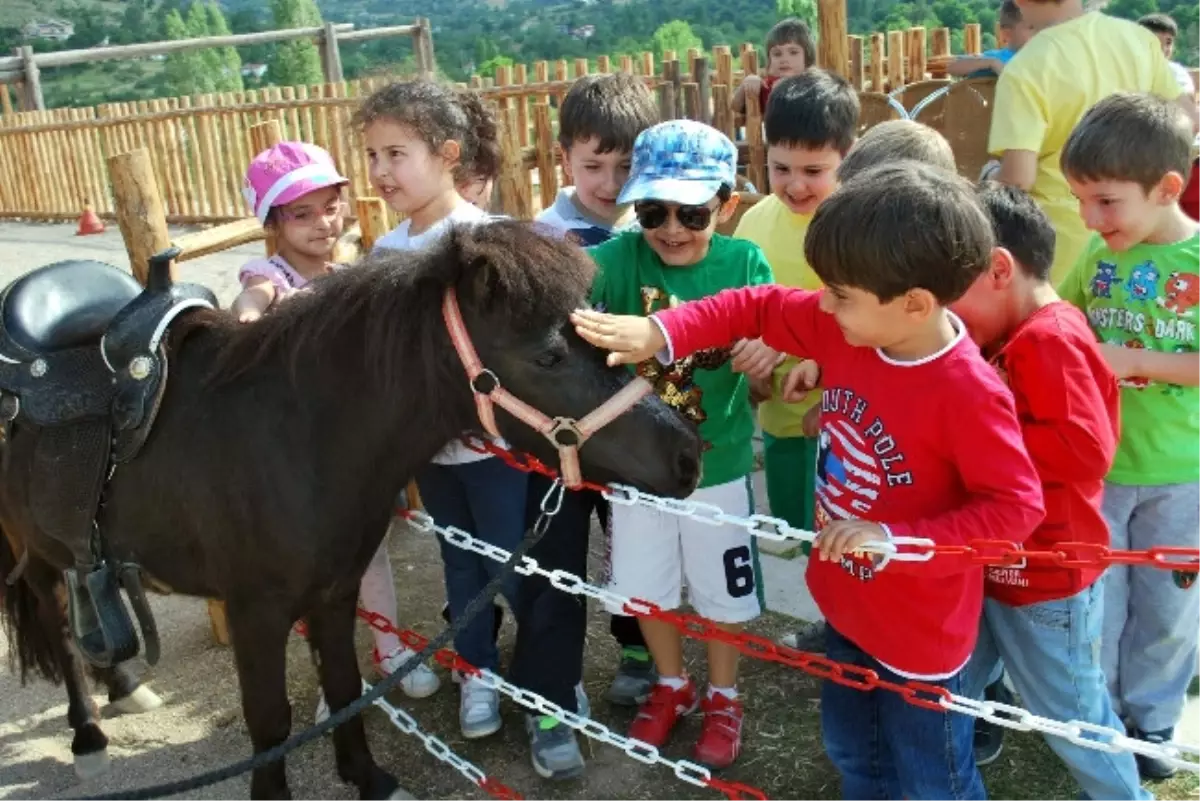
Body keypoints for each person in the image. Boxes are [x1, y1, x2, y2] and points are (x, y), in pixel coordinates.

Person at [573, 160, 1046, 799]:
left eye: (840, 293)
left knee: (933, 776)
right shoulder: (851, 326)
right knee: (855, 754)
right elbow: (758, 306)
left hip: (919, 633)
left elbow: (1014, 511)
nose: (822, 305)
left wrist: (893, 539)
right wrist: (661, 329)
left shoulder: (969, 393)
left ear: (913, 305)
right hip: (844, 605)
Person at [586, 119, 773, 768]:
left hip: (715, 466)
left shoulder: (745, 262)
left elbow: (777, 342)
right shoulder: (611, 262)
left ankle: (724, 694)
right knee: (645, 586)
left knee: (723, 593)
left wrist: (768, 353)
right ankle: (672, 683)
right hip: (634, 468)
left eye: (692, 212)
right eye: (652, 209)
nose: (670, 227)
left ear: (726, 203)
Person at [951, 182, 1149, 797]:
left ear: (998, 270)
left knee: (1072, 718)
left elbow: (1086, 450)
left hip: (1044, 578)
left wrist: (979, 445)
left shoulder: (1048, 339)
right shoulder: (1013, 334)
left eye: (949, 290)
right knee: (953, 687)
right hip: (996, 562)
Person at [236, 142, 442, 726]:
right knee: (314, 575)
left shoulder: (354, 276)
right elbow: (252, 299)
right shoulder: (270, 277)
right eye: (302, 214)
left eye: (330, 207)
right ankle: (336, 673)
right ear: (273, 223)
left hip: (356, 457)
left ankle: (391, 650)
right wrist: (247, 319)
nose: (322, 224)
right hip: (299, 463)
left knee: (369, 558)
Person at [355, 79, 529, 744]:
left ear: (449, 153)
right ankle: (477, 669)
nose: (379, 172)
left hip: (497, 451)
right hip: (431, 453)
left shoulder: (491, 240)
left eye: (395, 154)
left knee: (515, 564)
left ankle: (547, 681)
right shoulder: (385, 253)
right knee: (460, 560)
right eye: (372, 155)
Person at [1058, 92, 1200, 781]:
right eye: (1081, 200)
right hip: (1100, 472)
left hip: (1183, 477)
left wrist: (1138, 361)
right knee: (1099, 605)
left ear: (1167, 187)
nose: (1088, 218)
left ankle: (1154, 722)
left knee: (1168, 612)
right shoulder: (1095, 255)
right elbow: (1061, 319)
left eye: (1105, 201)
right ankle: (1103, 720)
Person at [520, 70, 661, 718]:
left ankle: (639, 648)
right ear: (564, 160)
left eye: (626, 165)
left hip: (632, 426)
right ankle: (550, 689)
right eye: (594, 165)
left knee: (635, 546)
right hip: (559, 435)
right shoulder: (540, 239)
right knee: (553, 559)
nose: (610, 183)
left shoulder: (659, 229)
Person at [731, 70, 859, 653]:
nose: (796, 185)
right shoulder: (755, 222)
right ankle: (832, 622)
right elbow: (746, 312)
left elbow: (869, 327)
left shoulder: (860, 230)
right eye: (781, 168)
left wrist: (790, 345)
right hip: (781, 421)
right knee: (801, 529)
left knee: (849, 537)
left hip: (855, 427)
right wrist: (750, 365)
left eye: (814, 171)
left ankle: (857, 632)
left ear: (847, 157)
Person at [987, 0, 1194, 284]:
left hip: (1064, 249)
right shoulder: (1139, 40)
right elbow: (1187, 118)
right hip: (1147, 237)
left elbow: (1019, 178)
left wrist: (988, 179)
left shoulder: (1025, 68)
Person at [731, 17, 814, 116]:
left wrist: (786, 89)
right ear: (769, 62)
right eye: (777, 54)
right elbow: (735, 107)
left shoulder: (814, 86)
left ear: (808, 57)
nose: (784, 59)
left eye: (793, 52)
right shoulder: (767, 87)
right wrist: (746, 85)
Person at [946, 1, 1034, 79]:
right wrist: (991, 63)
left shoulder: (1039, 56)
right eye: (1031, 28)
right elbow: (952, 66)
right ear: (1007, 34)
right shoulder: (997, 57)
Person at [1138, 13, 1195, 97]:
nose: (1163, 49)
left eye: (1168, 43)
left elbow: (1187, 98)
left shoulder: (1176, 72)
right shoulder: (1126, 70)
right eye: (1155, 42)